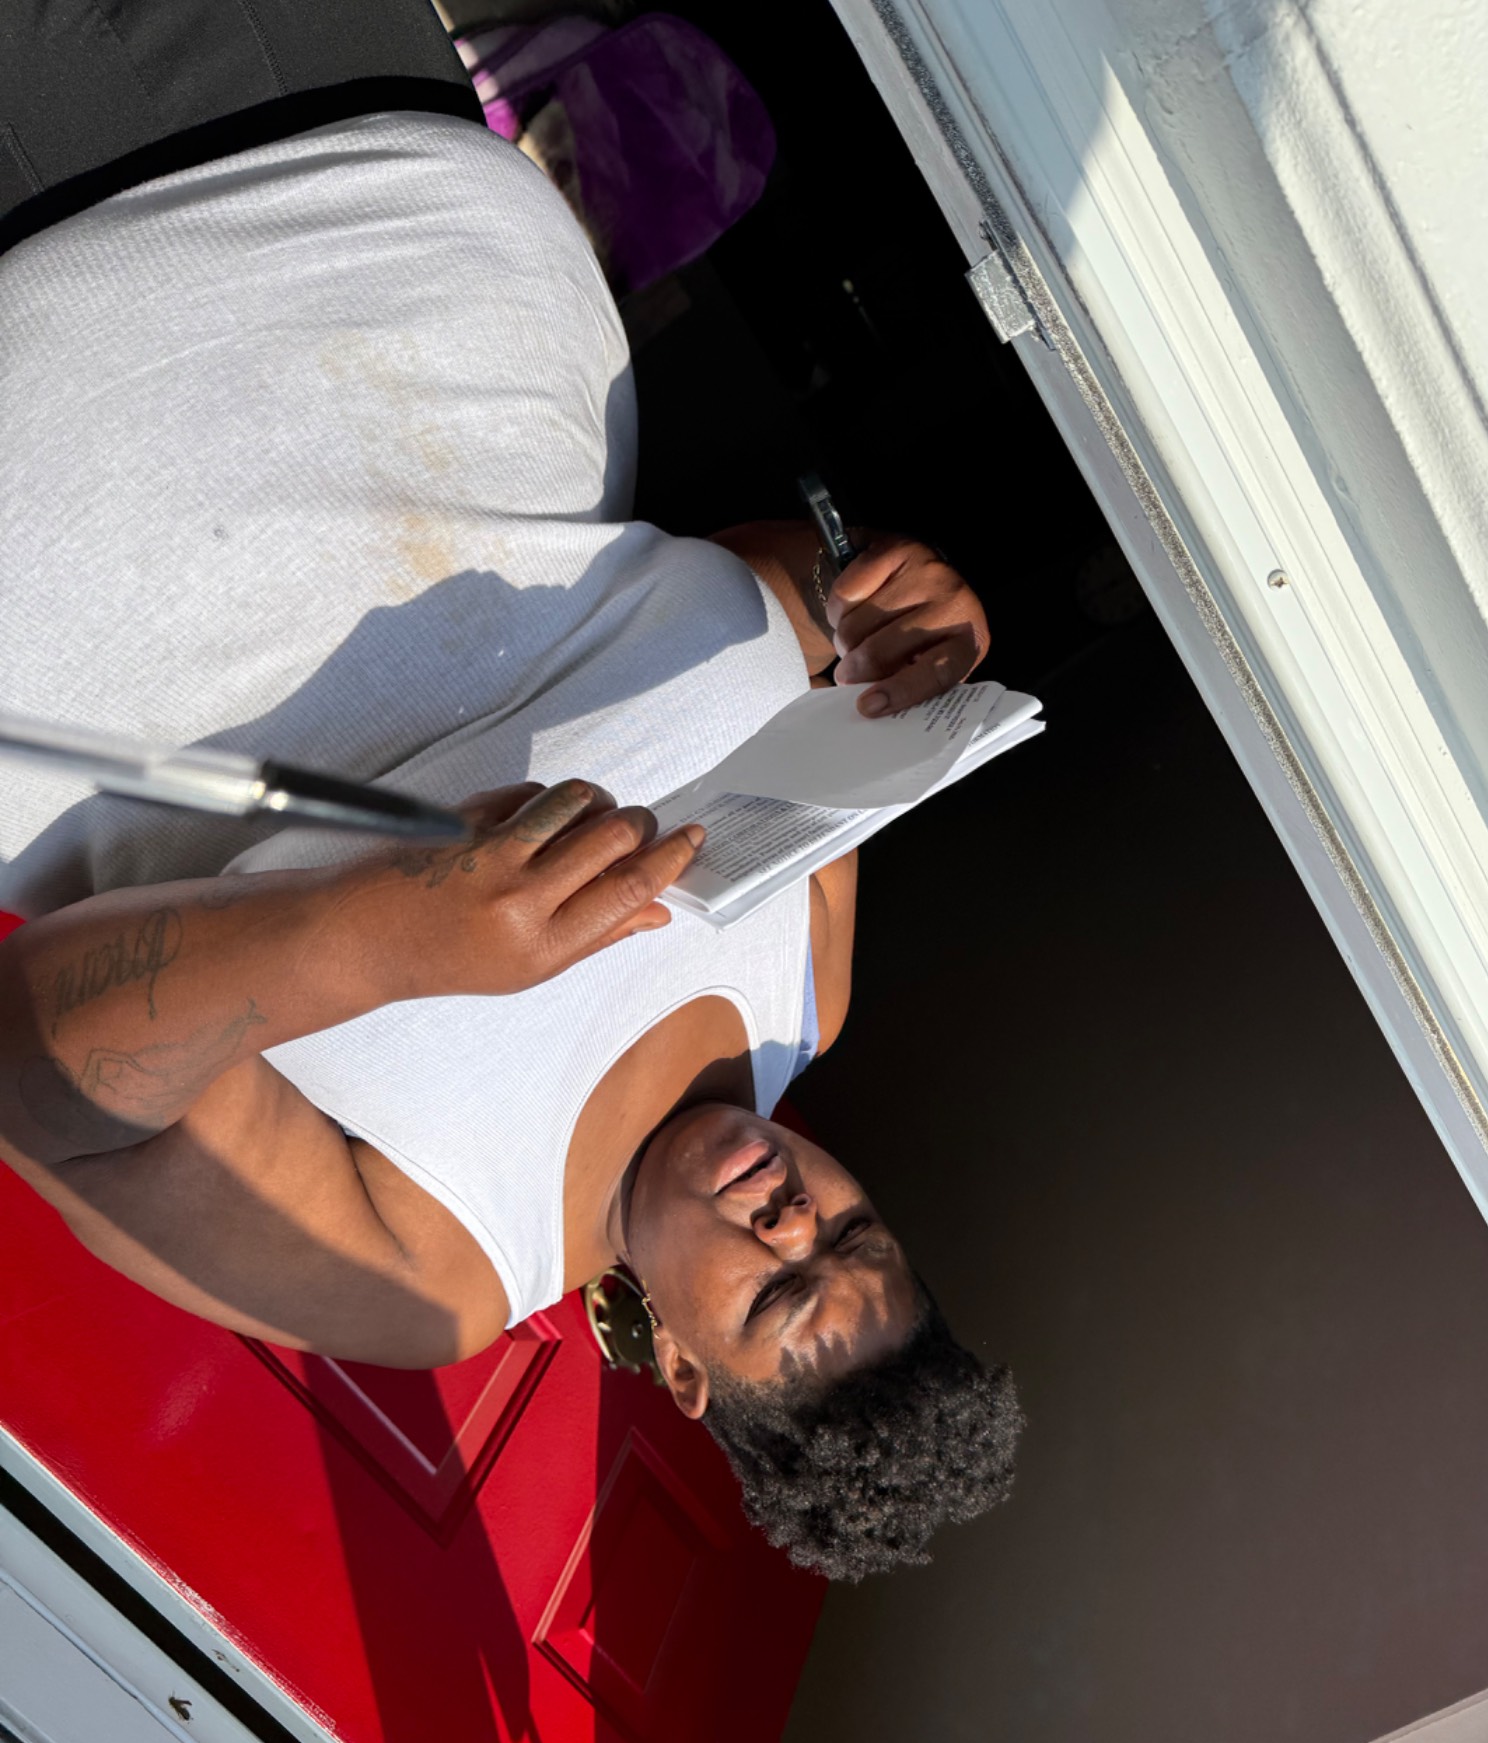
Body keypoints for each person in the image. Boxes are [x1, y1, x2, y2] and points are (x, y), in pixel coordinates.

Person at [0, 0, 1023, 1583]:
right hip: (359, 143)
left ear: (682, 1373)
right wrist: (879, 603)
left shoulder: (434, 1266)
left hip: (52, 282)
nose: (793, 1220)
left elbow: (39, 1081)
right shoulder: (805, 986)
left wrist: (377, 939)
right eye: (851, 1232)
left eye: (777, 1293)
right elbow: (747, 592)